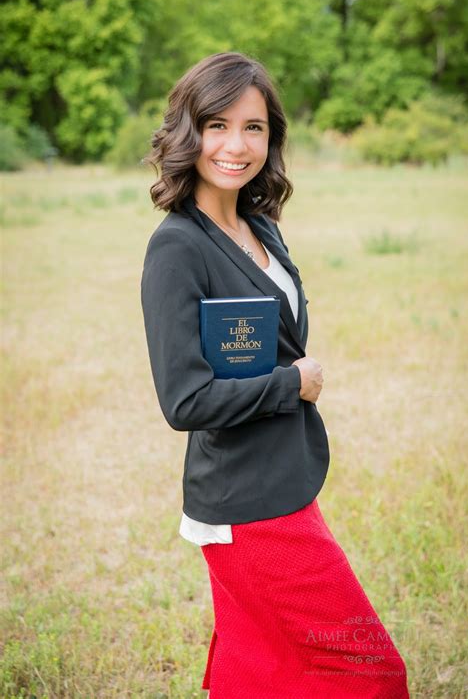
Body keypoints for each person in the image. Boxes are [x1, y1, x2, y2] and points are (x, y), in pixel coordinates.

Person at [141, 52, 409, 698]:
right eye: (217, 124)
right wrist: (294, 384)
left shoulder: (259, 225)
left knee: (259, 669)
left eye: (254, 127)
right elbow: (185, 400)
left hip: (282, 477)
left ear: (273, 136)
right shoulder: (177, 246)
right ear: (188, 132)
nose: (237, 145)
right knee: (369, 670)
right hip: (245, 504)